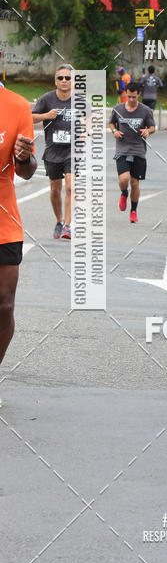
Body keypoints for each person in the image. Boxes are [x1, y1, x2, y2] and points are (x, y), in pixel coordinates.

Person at [0, 85, 37, 408]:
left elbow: (26, 172)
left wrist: (23, 157)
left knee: (5, 306)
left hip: (4, 221)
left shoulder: (16, 105)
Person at [31, 63, 78, 239]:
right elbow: (30, 117)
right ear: (55, 81)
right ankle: (59, 221)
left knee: (70, 186)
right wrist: (46, 116)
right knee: (55, 189)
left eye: (68, 77)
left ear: (73, 80)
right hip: (52, 150)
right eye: (61, 78)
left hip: (72, 151)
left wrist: (84, 132)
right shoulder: (46, 99)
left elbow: (89, 118)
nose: (64, 81)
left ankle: (67, 226)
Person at [109, 82, 156, 223]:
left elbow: (153, 127)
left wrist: (148, 131)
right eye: (128, 96)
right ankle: (124, 193)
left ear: (139, 95)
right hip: (122, 148)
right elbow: (111, 123)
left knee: (135, 183)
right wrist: (114, 131)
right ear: (126, 94)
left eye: (134, 97)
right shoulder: (118, 109)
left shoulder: (146, 110)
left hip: (138, 150)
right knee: (124, 179)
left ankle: (133, 211)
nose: (131, 99)